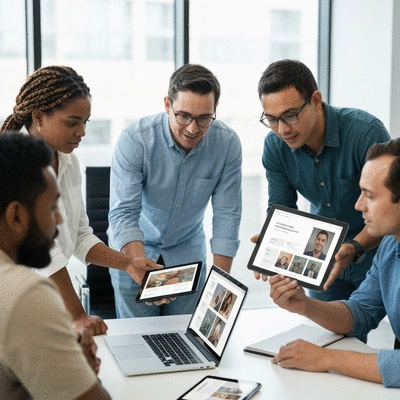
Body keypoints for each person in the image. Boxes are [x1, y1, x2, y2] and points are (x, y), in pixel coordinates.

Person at [0, 65, 159, 335]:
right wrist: (78, 315)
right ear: (39, 117)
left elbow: (80, 236)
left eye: (85, 122)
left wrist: (127, 263)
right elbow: (47, 250)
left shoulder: (68, 161)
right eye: (72, 123)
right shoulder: (13, 165)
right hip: (16, 300)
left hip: (47, 298)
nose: (82, 132)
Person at [108, 63, 242, 318]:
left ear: (215, 111)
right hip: (135, 254)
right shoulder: (136, 140)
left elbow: (228, 215)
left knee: (183, 343)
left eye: (204, 118)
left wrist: (221, 284)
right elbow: (124, 213)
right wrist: (138, 265)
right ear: (167, 105)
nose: (193, 129)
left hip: (187, 255)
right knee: (138, 344)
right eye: (184, 116)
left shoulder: (226, 144)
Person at [253, 59, 390, 302]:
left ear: (316, 100)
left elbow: (391, 208)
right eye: (272, 119)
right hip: (324, 260)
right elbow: (282, 208)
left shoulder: (365, 133)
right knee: (328, 337)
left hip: (376, 253)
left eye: (290, 115)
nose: (282, 130)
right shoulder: (275, 147)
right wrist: (273, 242)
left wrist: (354, 247)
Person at [269, 139, 400, 388]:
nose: (358, 205)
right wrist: (304, 305)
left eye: (370, 196)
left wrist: (326, 358)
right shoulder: (390, 245)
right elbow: (360, 313)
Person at [0, 132, 111, 399]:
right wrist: (81, 371)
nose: (60, 220)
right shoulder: (23, 292)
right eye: (52, 208)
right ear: (16, 216)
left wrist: (60, 357)